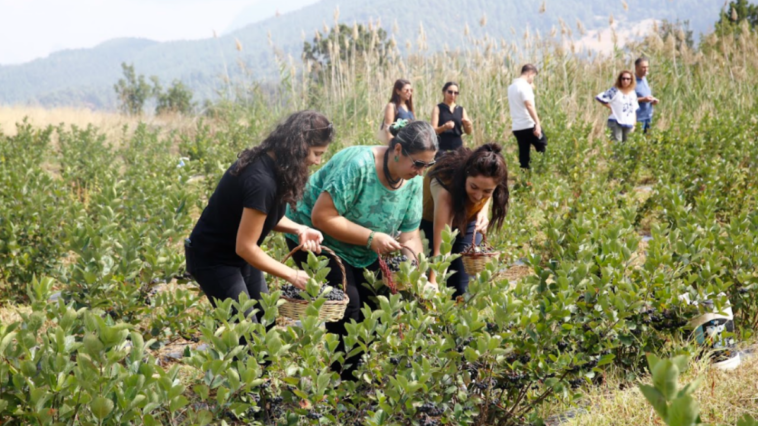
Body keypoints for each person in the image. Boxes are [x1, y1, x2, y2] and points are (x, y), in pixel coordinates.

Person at [285, 120, 438, 380]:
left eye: (428, 165)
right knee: (349, 306)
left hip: (364, 244)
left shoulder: (411, 180)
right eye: (418, 164)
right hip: (313, 235)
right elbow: (322, 217)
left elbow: (410, 236)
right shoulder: (359, 166)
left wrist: (419, 274)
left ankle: (352, 373)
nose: (421, 172)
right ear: (398, 150)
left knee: (377, 304)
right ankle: (337, 381)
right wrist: (370, 238)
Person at [184, 110, 334, 322]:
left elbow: (263, 215)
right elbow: (245, 246)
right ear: (298, 148)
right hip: (214, 259)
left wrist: (299, 228)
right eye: (316, 153)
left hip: (238, 257)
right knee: (246, 332)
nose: (318, 161)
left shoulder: (276, 167)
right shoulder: (261, 181)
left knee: (266, 319)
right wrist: (292, 274)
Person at [419, 144, 509, 298]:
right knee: (434, 276)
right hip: (430, 221)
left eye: (487, 191)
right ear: (465, 176)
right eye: (474, 187)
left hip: (467, 221)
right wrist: (432, 286)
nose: (479, 196)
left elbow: (484, 192)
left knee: (463, 288)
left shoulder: (489, 181)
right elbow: (442, 248)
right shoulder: (446, 190)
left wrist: (483, 210)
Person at [596, 70, 639, 142]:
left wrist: (634, 124)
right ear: (620, 79)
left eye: (628, 79)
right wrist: (611, 107)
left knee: (627, 146)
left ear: (631, 80)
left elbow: (633, 109)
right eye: (623, 78)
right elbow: (600, 98)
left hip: (628, 122)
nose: (625, 81)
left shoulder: (632, 93)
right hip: (615, 121)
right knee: (616, 145)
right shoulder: (615, 90)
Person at [431, 82, 473, 156]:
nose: (453, 95)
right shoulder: (438, 108)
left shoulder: (461, 109)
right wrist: (444, 127)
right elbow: (433, 131)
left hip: (457, 147)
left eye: (456, 93)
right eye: (450, 92)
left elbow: (468, 132)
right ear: (444, 92)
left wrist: (468, 125)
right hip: (442, 147)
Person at [380, 79, 416, 143]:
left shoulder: (409, 107)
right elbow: (388, 129)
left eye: (411, 90)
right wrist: (392, 146)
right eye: (406, 90)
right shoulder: (391, 106)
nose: (409, 92)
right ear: (398, 91)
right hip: (398, 143)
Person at [634, 57, 659, 133]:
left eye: (647, 67)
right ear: (636, 67)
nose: (646, 69)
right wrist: (643, 99)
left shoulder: (644, 79)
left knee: (648, 142)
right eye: (643, 67)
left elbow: (645, 95)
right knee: (638, 142)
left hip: (648, 117)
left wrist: (652, 100)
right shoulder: (631, 81)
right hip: (638, 118)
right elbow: (628, 99)